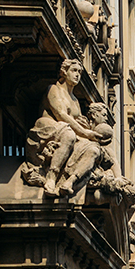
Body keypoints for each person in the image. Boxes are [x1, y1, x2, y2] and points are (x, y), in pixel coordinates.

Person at [25, 59, 99, 196]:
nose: (77, 75)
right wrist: (85, 132)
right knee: (68, 134)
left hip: (67, 130)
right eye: (74, 70)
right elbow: (60, 114)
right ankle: (52, 177)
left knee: (94, 150)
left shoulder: (75, 100)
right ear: (64, 72)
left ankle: (69, 181)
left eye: (80, 72)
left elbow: (76, 121)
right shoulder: (53, 89)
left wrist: (85, 126)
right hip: (47, 127)